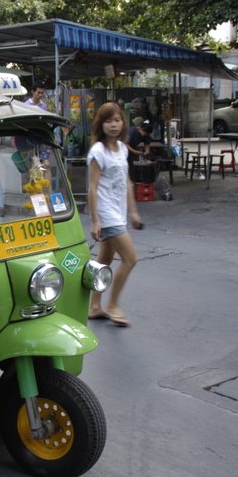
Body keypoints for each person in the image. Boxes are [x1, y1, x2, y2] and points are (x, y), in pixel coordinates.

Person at [87, 102, 142, 328]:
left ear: (123, 123)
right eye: (108, 121)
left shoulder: (121, 148)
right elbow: (92, 187)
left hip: (118, 212)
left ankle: (93, 306)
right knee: (130, 259)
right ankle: (113, 305)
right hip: (105, 212)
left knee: (104, 260)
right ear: (101, 124)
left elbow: (127, 183)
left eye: (117, 120)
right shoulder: (97, 151)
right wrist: (95, 220)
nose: (113, 125)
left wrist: (133, 212)